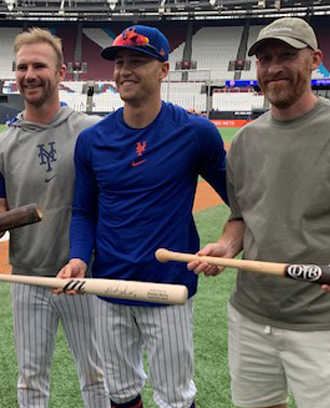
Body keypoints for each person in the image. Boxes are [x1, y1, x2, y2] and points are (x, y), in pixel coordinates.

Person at [188, 17, 330, 408]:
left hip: (323, 323)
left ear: (315, 61)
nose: (274, 67)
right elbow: (243, 216)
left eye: (287, 56)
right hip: (250, 314)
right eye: (265, 58)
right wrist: (227, 245)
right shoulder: (244, 141)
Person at [57, 25, 229, 408]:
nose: (124, 71)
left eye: (137, 61)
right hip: (108, 287)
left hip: (167, 288)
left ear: (163, 70)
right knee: (119, 392)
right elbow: (84, 211)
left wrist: (231, 243)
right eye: (119, 63)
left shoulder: (196, 133)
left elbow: (242, 200)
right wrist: (78, 258)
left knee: (174, 396)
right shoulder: (92, 140)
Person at [0, 27, 109, 408]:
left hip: (84, 274)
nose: (29, 74)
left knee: (96, 374)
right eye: (22, 66)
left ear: (61, 73)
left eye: (39, 65)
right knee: (30, 377)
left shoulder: (92, 133)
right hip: (27, 275)